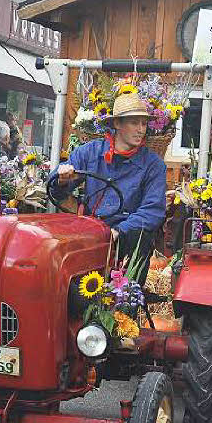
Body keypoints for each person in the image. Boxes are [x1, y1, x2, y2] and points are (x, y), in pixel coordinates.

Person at [52, 93, 166, 285]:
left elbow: (153, 211)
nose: (140, 130)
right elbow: (57, 186)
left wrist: (118, 231)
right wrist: (62, 178)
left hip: (127, 237)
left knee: (138, 241)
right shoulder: (90, 152)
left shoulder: (153, 164)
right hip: (89, 232)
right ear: (117, 124)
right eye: (134, 123)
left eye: (144, 124)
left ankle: (126, 305)